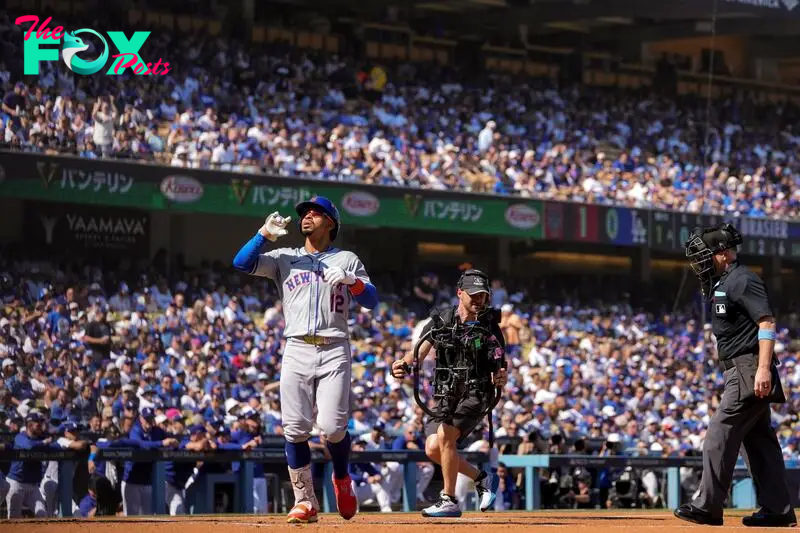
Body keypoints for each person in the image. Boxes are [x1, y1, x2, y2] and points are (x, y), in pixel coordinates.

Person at [232, 196, 379, 523]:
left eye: (315, 212)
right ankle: (305, 500)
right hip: (296, 346)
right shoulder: (285, 257)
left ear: (331, 223)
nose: (307, 216)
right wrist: (263, 235)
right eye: (305, 213)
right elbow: (241, 263)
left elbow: (372, 300)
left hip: (334, 346)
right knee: (295, 428)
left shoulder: (346, 258)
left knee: (332, 428)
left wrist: (352, 281)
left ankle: (342, 477)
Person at [676, 224, 796, 527]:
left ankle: (708, 506)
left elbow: (767, 322)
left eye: (707, 254)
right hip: (741, 368)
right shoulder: (726, 281)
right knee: (759, 442)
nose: (702, 261)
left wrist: (764, 368)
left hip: (749, 367)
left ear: (724, 253)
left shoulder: (742, 279)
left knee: (719, 432)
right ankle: (777, 509)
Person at [391, 269, 506, 518]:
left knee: (445, 436)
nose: (478, 300)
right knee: (433, 448)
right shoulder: (441, 320)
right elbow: (418, 351)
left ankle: (449, 500)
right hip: (445, 392)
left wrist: (501, 376)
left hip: (476, 391)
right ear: (459, 293)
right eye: (473, 295)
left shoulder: (490, 326)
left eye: (483, 296)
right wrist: (404, 363)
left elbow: (501, 362)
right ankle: (482, 478)